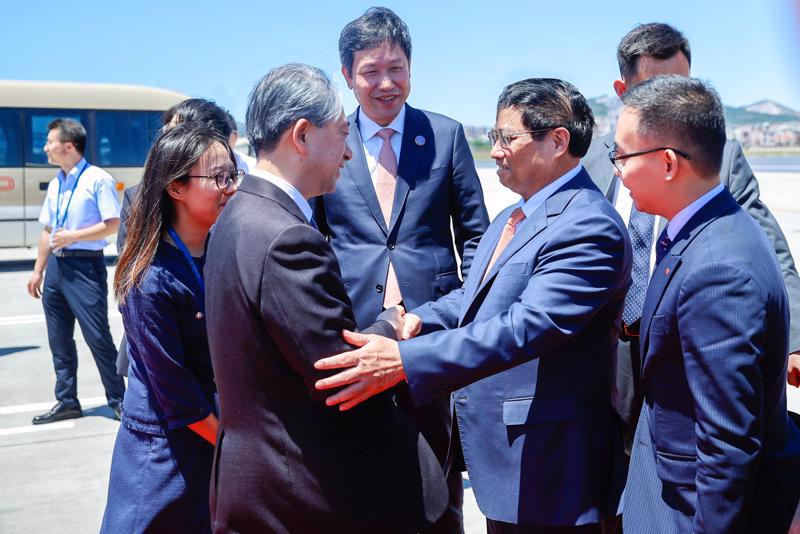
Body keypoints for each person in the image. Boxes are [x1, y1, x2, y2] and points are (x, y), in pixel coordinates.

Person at [316, 78, 632, 533]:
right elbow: (475, 296)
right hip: (509, 463)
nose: (495, 149)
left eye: (507, 137)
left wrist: (405, 360)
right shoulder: (513, 215)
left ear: (557, 141)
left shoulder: (587, 226)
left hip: (552, 466)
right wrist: (422, 319)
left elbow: (524, 327)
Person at [204, 63, 447, 533]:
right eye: (341, 133)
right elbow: (338, 371)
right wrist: (390, 325)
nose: (350, 153)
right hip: (301, 491)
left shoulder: (237, 214)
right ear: (301, 135)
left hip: (258, 480)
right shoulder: (286, 237)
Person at [581, 23, 800, 442]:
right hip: (606, 347)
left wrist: (794, 337)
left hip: (681, 344)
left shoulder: (720, 157)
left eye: (682, 88)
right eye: (656, 89)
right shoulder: (589, 158)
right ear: (622, 89)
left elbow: (767, 241)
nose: (673, 103)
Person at [314, 8, 489, 530]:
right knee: (357, 478)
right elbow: (315, 236)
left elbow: (476, 237)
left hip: (430, 334)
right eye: (371, 71)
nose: (386, 83)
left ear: (412, 69)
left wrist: (449, 312)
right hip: (353, 331)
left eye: (397, 68)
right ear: (347, 76)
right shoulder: (329, 140)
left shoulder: (446, 135)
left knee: (437, 480)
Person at [614, 74, 800, 534]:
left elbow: (727, 444)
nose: (616, 168)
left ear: (670, 164)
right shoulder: (703, 230)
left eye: (621, 154)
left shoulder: (719, 268)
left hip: (687, 506)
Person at [100, 124, 237, 532]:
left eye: (233, 175)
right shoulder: (149, 278)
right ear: (175, 187)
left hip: (215, 439)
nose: (230, 188)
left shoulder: (223, 248)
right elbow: (177, 396)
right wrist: (236, 451)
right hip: (165, 455)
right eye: (218, 178)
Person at [115, 98, 243, 377]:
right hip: (163, 360)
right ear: (176, 188)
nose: (168, 144)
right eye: (167, 135)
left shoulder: (241, 190)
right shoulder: (152, 279)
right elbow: (133, 270)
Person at [26, 118, 125, 424]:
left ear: (68, 146)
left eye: (49, 141)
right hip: (57, 266)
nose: (45, 147)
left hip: (84, 265)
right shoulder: (57, 182)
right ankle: (67, 400)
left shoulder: (98, 179)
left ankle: (119, 400)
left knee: (97, 337)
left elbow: (113, 223)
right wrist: (38, 270)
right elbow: (47, 229)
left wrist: (74, 236)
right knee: (59, 339)